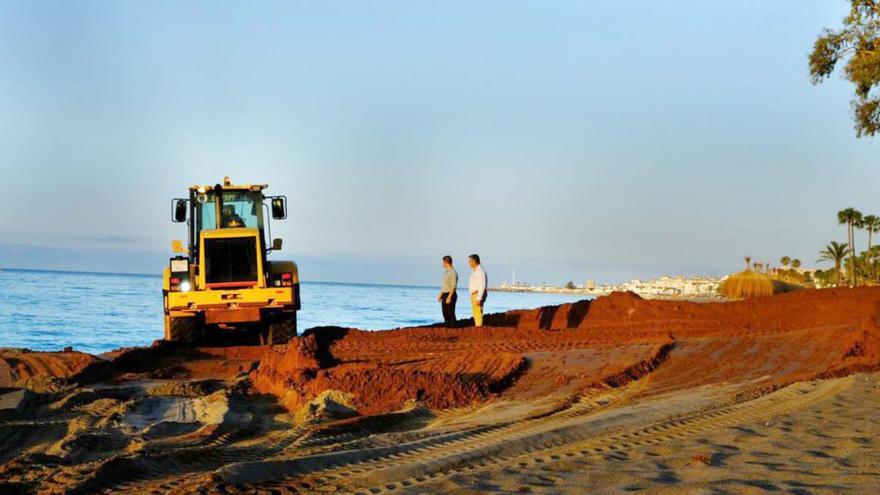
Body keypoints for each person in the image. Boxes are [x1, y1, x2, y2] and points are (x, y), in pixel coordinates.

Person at [468, 254, 488, 327]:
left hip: (477, 294)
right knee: (476, 312)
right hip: (474, 294)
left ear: (474, 261)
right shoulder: (476, 270)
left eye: (470, 261)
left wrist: (479, 297)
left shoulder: (480, 271)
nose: (469, 263)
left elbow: (482, 285)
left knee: (477, 312)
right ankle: (478, 326)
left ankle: (479, 328)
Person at [438, 255, 458, 327]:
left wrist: (449, 296)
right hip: (445, 294)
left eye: (443, 262)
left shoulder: (452, 272)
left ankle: (453, 329)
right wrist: (441, 294)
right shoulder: (446, 272)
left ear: (445, 262)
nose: (442, 264)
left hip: (450, 294)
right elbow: (445, 285)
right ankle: (447, 328)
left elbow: (453, 286)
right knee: (445, 313)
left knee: (450, 313)